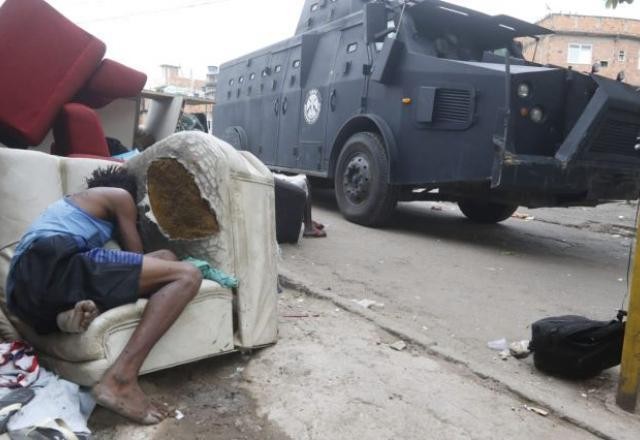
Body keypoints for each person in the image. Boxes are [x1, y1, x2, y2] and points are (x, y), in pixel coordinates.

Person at [5, 166, 202, 425]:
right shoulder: (119, 196)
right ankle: (120, 379)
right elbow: (135, 256)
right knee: (187, 276)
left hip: (25, 292)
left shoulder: (74, 208)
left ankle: (71, 316)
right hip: (54, 260)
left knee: (166, 260)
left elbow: (140, 265)